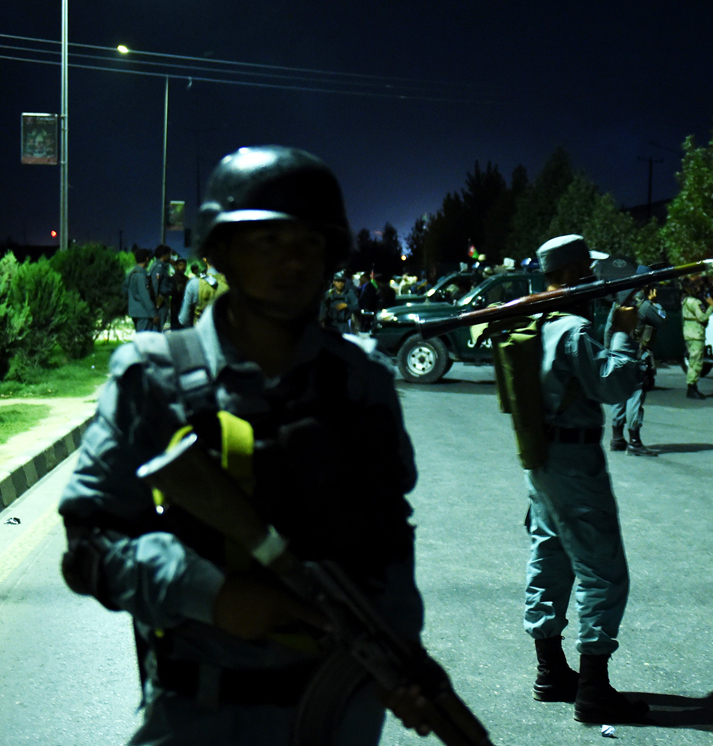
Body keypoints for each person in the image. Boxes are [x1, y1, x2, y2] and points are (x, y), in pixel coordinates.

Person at [58, 145, 433, 744]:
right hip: (198, 713)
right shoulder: (152, 376)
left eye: (310, 243)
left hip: (337, 714)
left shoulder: (359, 382)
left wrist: (400, 652)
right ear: (219, 249)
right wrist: (210, 593)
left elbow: (389, 540)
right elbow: (88, 546)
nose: (292, 262)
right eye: (267, 241)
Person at [519, 234, 649, 723]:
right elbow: (615, 385)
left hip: (540, 457)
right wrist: (622, 332)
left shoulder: (532, 320)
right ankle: (593, 690)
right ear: (574, 273)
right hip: (573, 461)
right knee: (603, 571)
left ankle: (550, 672)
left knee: (549, 556)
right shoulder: (573, 329)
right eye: (588, 271)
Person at [607, 281, 667, 456]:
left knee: (619, 395)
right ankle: (634, 442)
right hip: (633, 357)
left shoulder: (619, 303)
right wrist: (655, 303)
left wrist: (608, 351)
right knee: (634, 396)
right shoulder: (645, 306)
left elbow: (609, 330)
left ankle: (617, 439)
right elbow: (663, 321)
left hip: (615, 355)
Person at [682, 279, 713, 399]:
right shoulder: (695, 302)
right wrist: (711, 307)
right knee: (696, 362)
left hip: (689, 333)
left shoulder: (686, 301)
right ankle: (692, 387)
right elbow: (702, 317)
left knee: (692, 360)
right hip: (697, 334)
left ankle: (692, 387)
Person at [125, 248, 158, 331]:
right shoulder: (141, 276)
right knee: (144, 339)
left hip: (135, 312)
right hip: (143, 313)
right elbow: (145, 296)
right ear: (147, 259)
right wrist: (153, 313)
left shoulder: (131, 273)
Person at [149, 245, 175, 330]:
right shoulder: (158, 268)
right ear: (164, 255)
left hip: (162, 304)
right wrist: (155, 306)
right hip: (159, 305)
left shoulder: (163, 267)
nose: (170, 257)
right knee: (156, 331)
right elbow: (155, 287)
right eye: (169, 254)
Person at [169, 257, 189, 329]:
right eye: (180, 265)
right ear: (176, 266)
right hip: (175, 309)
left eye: (184, 265)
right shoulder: (172, 279)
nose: (183, 267)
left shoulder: (187, 279)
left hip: (185, 308)